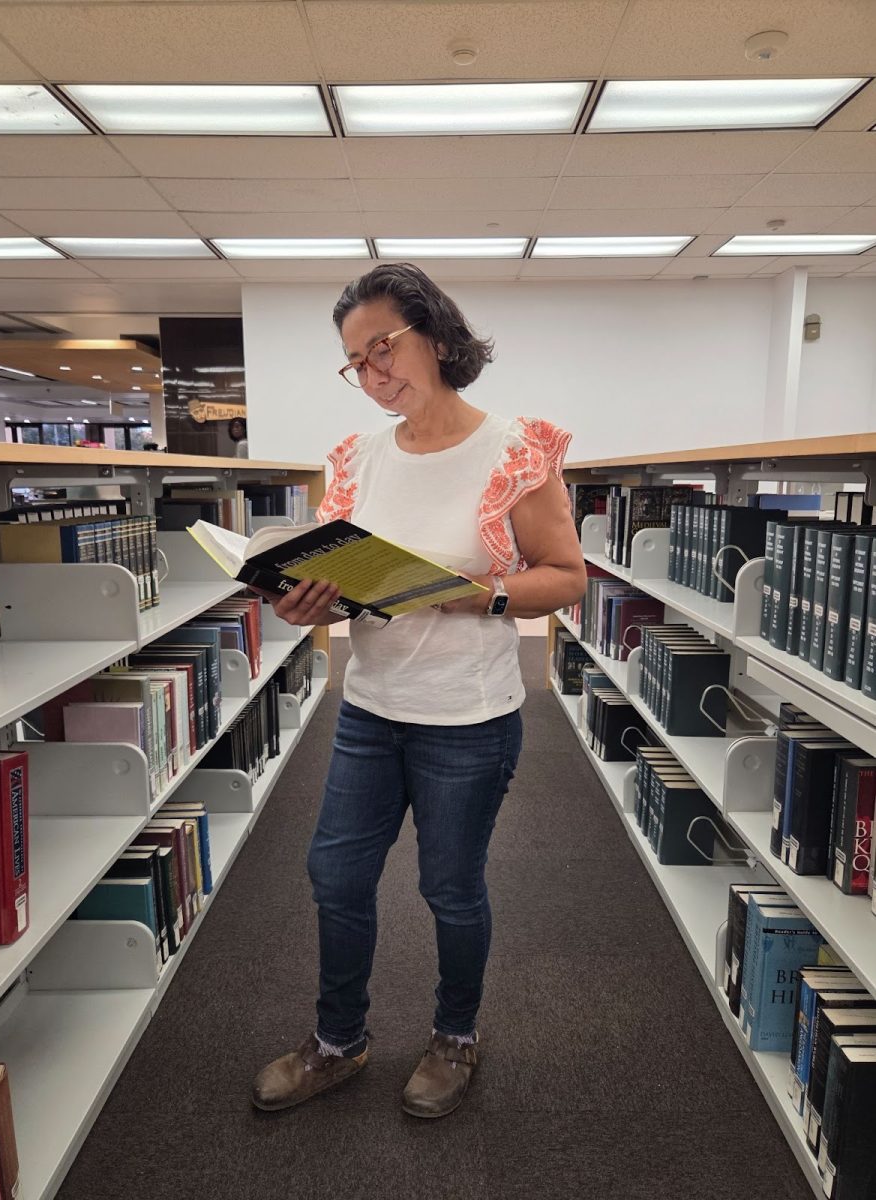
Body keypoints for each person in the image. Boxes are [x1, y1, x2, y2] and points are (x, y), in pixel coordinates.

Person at [251, 263, 586, 1120]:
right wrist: (303, 606)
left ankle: (456, 1037)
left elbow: (567, 579)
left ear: (435, 335)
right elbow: (339, 587)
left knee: (451, 888)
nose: (371, 374)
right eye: (354, 362)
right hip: (369, 707)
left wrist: (474, 592)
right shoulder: (355, 460)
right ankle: (338, 1041)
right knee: (335, 876)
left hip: (466, 720)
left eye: (381, 349)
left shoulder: (515, 450)